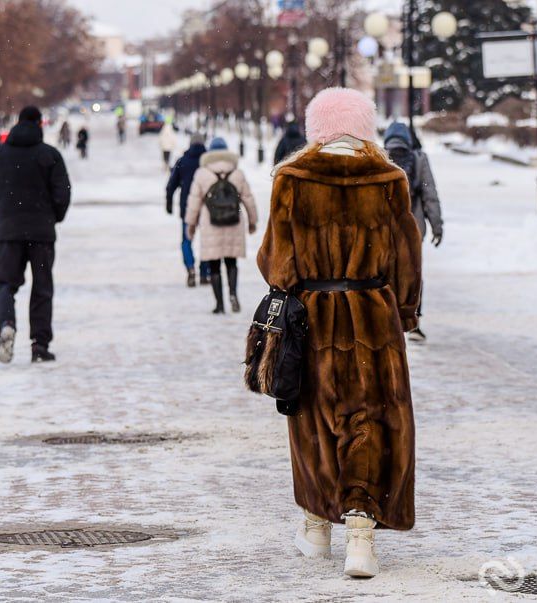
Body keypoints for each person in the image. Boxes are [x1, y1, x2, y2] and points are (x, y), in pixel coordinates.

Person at [257, 88, 421, 578]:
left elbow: (275, 263)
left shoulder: (292, 179)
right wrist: (404, 312)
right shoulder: (389, 179)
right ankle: (361, 537)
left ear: (317, 130)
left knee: (313, 417)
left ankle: (315, 527)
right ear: (365, 127)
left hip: (311, 316)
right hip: (373, 315)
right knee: (368, 418)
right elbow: (407, 257)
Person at [0, 106, 71, 364]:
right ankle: (39, 344)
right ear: (40, 124)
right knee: (42, 287)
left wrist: (2, 214)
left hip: (9, 233)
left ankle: (7, 323)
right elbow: (62, 192)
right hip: (42, 234)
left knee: (5, 284)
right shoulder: (49, 155)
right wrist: (53, 216)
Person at [383, 121, 443, 342]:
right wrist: (437, 226)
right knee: (413, 273)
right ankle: (414, 320)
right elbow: (430, 195)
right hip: (414, 227)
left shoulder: (381, 158)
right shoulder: (419, 159)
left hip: (386, 228)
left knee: (386, 272)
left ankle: (388, 318)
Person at [185, 137, 257, 313]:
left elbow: (194, 203)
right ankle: (233, 294)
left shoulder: (202, 174)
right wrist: (252, 221)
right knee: (232, 262)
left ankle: (219, 305)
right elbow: (248, 199)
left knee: (214, 266)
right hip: (234, 222)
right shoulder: (237, 173)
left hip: (211, 225)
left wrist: (190, 225)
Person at [166, 133, 211, 287]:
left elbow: (171, 185)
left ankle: (190, 268)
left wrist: (169, 203)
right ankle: (204, 273)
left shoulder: (182, 161)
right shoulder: (208, 162)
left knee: (186, 240)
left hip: (187, 208)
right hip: (206, 208)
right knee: (206, 240)